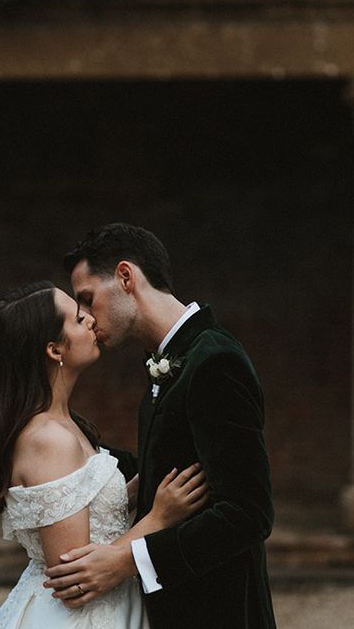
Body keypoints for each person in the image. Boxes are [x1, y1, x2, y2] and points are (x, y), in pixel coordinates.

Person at [43, 223, 275, 628]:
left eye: (88, 299)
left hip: (217, 612)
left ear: (126, 277)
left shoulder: (215, 361)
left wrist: (125, 560)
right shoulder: (170, 359)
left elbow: (247, 513)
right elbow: (168, 465)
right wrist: (66, 448)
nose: (87, 319)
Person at [0, 280, 209, 628]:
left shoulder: (66, 425)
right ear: (55, 350)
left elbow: (90, 509)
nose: (90, 320)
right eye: (77, 317)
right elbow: (74, 578)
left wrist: (145, 483)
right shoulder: (49, 439)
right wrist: (158, 518)